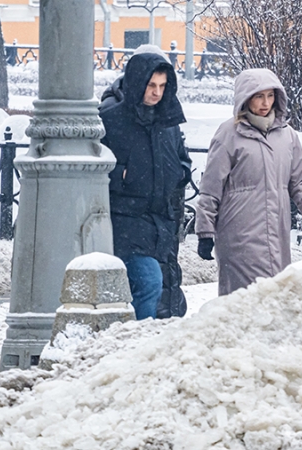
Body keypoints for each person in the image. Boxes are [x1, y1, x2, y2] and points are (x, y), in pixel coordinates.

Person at [194, 68, 302, 296]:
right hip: (239, 233)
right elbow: (211, 187)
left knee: (274, 298)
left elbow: (300, 183)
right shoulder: (228, 134)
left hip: (277, 234)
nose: (265, 103)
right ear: (245, 98)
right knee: (244, 300)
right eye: (258, 96)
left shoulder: (287, 136)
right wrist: (205, 231)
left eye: (270, 96)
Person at [99, 49, 192, 320]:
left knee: (157, 288)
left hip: (160, 220)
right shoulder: (111, 118)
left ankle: (137, 333)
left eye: (162, 86)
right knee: (150, 281)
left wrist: (179, 174)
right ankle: (138, 336)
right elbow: (94, 165)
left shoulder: (168, 121)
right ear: (138, 82)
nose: (156, 92)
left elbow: (182, 159)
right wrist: (123, 176)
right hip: (125, 219)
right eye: (151, 85)